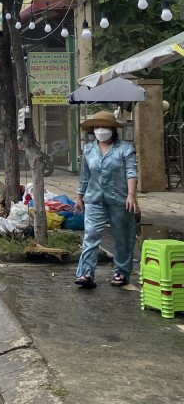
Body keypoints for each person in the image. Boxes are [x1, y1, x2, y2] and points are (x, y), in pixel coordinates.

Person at [74, 111, 140, 289]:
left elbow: (131, 172)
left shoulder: (125, 149)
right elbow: (85, 176)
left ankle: (121, 272)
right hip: (94, 199)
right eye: (97, 127)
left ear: (113, 129)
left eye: (104, 126)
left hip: (120, 199)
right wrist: (79, 197)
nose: (100, 130)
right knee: (91, 235)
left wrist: (131, 195)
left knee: (123, 236)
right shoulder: (88, 149)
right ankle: (86, 273)